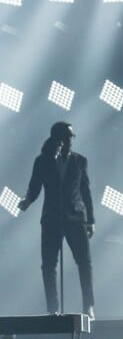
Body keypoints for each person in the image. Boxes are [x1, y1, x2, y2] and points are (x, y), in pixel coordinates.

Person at [18, 122, 95, 318]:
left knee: (84, 263)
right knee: (49, 264)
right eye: (69, 136)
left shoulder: (80, 161)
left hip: (76, 217)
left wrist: (91, 220)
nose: (72, 140)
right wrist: (27, 200)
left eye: (72, 137)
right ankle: (52, 307)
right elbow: (35, 186)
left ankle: (88, 307)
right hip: (52, 217)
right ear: (59, 139)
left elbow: (86, 191)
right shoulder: (43, 161)